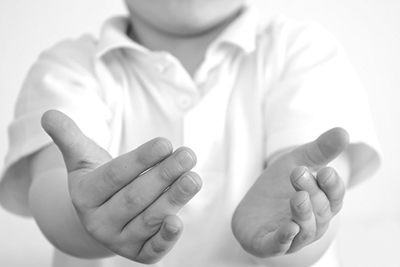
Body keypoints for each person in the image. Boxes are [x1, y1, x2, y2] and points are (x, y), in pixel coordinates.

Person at [0, 0, 381, 266]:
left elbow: (314, 221)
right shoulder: (67, 68)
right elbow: (53, 188)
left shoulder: (303, 51)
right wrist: (91, 222)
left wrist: (291, 231)